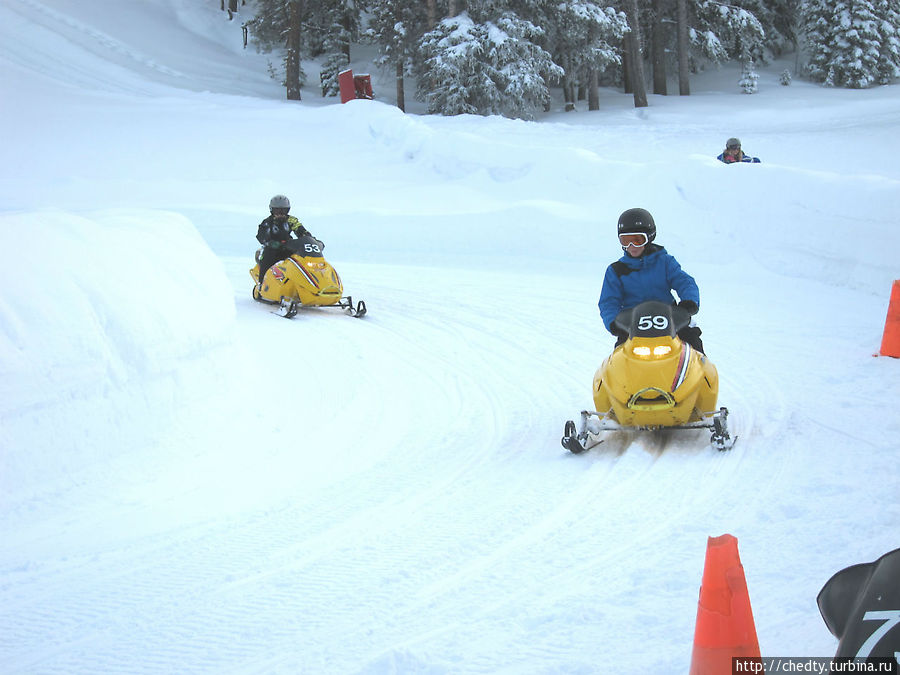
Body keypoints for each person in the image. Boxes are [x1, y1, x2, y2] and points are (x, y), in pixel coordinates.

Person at [598, 207, 705, 353]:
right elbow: (608, 302)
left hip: (670, 320)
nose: (631, 247)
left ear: (650, 236)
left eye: (637, 240)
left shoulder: (665, 262)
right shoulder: (616, 271)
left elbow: (685, 282)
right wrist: (614, 322)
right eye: (626, 241)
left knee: (693, 344)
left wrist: (689, 302)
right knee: (620, 357)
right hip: (633, 326)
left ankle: (701, 375)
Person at [255, 194, 313, 290]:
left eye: (283, 210)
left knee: (302, 260)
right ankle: (261, 285)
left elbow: (300, 229)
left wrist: (309, 238)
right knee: (268, 258)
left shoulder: (291, 220)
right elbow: (262, 236)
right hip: (273, 248)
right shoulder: (267, 222)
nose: (280, 213)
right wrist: (270, 242)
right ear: (272, 210)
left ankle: (305, 284)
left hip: (288, 246)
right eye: (277, 210)